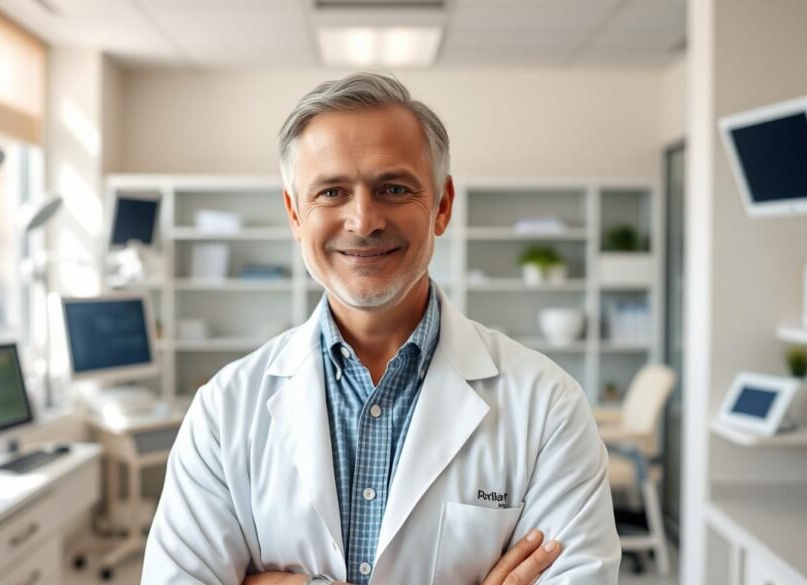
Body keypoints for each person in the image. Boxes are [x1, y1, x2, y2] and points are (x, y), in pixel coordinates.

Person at [143, 72, 620, 585]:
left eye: (394, 188)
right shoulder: (224, 410)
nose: (364, 220)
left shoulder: (547, 406)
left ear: (441, 205)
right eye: (331, 192)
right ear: (294, 214)